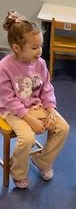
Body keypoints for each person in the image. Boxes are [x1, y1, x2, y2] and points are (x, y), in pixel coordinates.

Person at [0, 11, 70, 189]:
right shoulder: (4, 67)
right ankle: (18, 171)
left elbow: (47, 88)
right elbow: (8, 100)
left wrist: (51, 110)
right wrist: (30, 119)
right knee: (27, 139)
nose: (39, 51)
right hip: (13, 111)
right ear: (17, 48)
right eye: (34, 47)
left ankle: (42, 161)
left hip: (35, 105)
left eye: (41, 46)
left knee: (63, 127)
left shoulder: (40, 63)